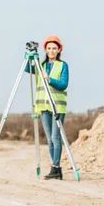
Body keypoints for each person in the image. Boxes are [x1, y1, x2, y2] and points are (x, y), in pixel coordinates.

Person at [26, 36, 69, 180]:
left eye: (54, 48)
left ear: (59, 50)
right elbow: (27, 67)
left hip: (57, 106)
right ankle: (55, 168)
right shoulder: (41, 66)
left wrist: (49, 80)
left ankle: (56, 167)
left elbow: (63, 84)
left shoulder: (63, 65)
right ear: (45, 49)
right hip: (43, 106)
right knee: (49, 140)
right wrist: (29, 54)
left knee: (55, 137)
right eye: (49, 48)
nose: (51, 51)